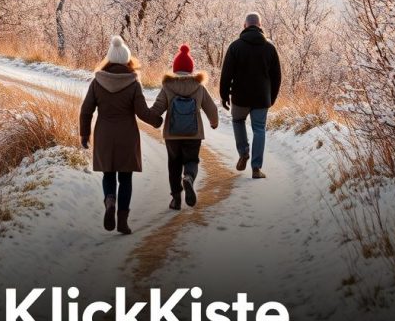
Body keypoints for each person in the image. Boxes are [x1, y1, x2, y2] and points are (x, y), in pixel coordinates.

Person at [79, 35, 162, 235]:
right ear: (127, 60)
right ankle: (123, 222)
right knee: (125, 179)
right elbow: (142, 112)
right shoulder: (133, 83)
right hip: (127, 137)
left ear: (108, 59)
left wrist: (84, 134)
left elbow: (86, 110)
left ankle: (109, 200)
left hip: (104, 135)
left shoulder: (97, 82)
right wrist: (156, 120)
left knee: (109, 174)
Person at [151, 44, 218, 210]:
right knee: (192, 160)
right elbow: (211, 108)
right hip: (193, 134)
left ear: (174, 68)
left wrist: (150, 117)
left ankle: (176, 200)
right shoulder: (199, 87)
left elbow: (158, 108)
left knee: (173, 164)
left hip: (172, 135)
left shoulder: (167, 86)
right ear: (191, 69)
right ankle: (188, 177)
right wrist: (214, 122)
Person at [219, 12, 282, 178]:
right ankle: (256, 168)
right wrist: (272, 97)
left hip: (240, 97)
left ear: (244, 26)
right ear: (260, 26)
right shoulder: (270, 48)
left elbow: (226, 74)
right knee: (259, 129)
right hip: (262, 98)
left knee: (238, 121)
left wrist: (224, 95)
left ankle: (243, 152)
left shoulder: (235, 47)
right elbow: (277, 77)